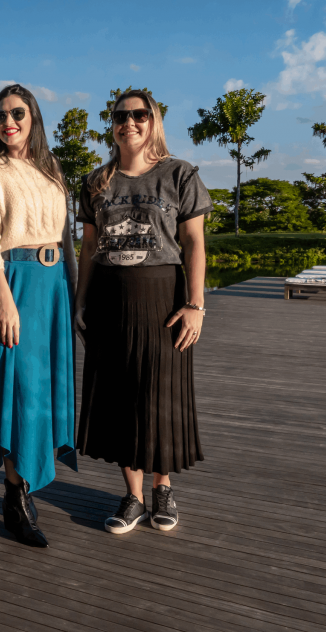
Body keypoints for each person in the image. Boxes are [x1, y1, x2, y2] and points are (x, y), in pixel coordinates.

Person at [75, 89, 210, 534]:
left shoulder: (179, 174)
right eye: (120, 116)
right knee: (118, 397)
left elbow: (193, 242)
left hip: (163, 299)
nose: (128, 123)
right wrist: (80, 300)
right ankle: (133, 497)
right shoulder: (96, 181)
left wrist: (195, 304)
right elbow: (89, 247)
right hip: (109, 297)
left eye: (138, 115)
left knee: (159, 395)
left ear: (153, 121)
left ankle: (162, 489)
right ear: (112, 124)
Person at [0, 83, 78, 548]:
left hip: (53, 287)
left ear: (33, 116)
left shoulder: (51, 167)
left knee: (45, 389)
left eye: (17, 112)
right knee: (23, 391)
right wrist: (3, 298)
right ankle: (15, 495)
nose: (8, 121)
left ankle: (24, 487)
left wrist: (75, 295)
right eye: (0, 115)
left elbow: (65, 237)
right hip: (16, 282)